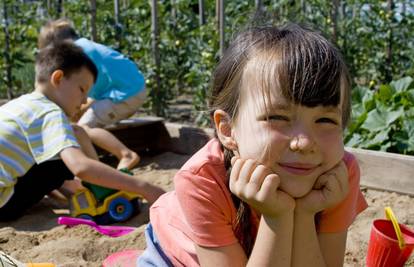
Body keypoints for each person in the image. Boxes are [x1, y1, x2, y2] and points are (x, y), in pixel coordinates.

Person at [137, 24, 368, 266]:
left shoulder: (339, 175)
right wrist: (277, 217)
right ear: (227, 129)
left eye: (325, 120)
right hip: (178, 255)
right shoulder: (201, 181)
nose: (305, 143)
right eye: (277, 118)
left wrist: (304, 214)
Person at [0, 41, 165, 221]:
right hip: (4, 207)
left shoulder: (20, 104)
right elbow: (81, 167)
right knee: (74, 141)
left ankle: (91, 188)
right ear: (58, 79)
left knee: (69, 138)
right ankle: (99, 191)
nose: (85, 100)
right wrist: (144, 187)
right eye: (82, 90)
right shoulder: (50, 112)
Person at [37, 18, 146, 171]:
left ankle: (125, 155)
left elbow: (85, 90)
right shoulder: (85, 46)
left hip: (125, 94)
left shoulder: (79, 54)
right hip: (130, 89)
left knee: (83, 128)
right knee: (81, 120)